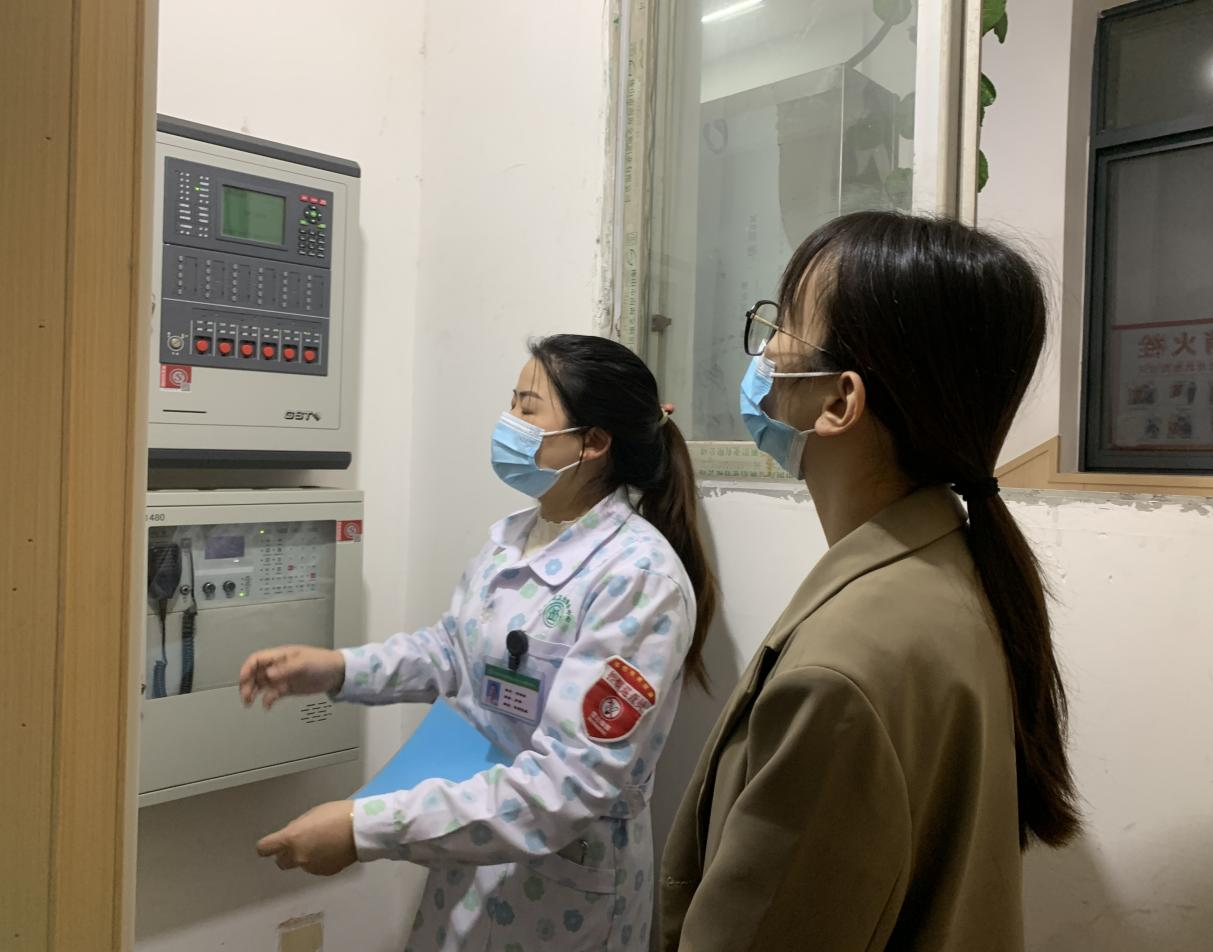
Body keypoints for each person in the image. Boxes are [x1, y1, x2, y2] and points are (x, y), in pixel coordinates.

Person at [659, 212, 1080, 951]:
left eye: (783, 325)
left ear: (839, 401)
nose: (765, 352)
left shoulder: (840, 675)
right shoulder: (951, 566)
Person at [240, 334, 716, 952]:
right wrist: (337, 669)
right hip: (471, 857)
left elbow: (565, 786)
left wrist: (363, 830)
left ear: (594, 442)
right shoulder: (514, 538)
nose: (507, 421)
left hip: (568, 886)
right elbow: (450, 651)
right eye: (511, 401)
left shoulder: (638, 579)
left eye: (527, 407)